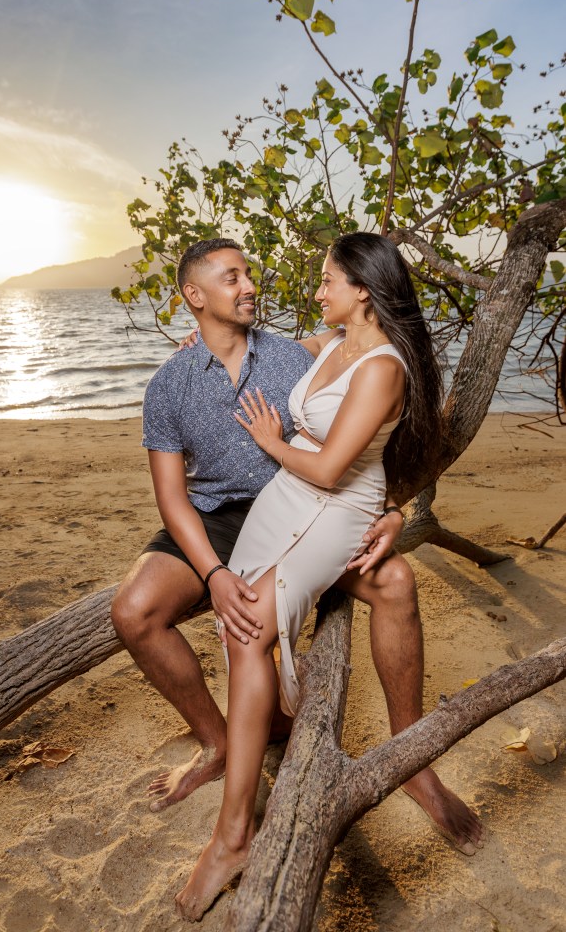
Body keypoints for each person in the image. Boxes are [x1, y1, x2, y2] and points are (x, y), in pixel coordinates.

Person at [110, 238, 483, 908]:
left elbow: (375, 429)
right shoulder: (185, 378)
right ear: (194, 297)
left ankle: (408, 761)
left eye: (249, 274)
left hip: (313, 501)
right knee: (170, 614)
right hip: (244, 511)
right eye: (234, 277)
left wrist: (395, 511)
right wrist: (211, 571)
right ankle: (222, 751)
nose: (254, 286)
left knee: (386, 584)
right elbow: (172, 495)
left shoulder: (296, 354)